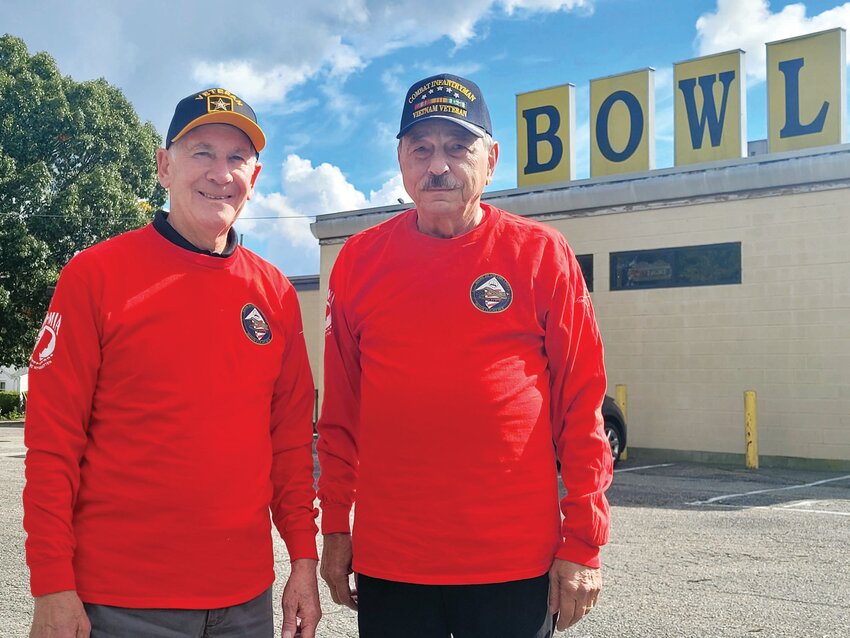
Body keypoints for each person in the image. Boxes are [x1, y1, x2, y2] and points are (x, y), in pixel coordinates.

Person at [316, 73, 613, 637]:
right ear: (401, 159)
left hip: (512, 566)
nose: (438, 166)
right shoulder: (358, 262)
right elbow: (340, 416)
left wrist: (583, 542)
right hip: (393, 565)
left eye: (458, 146)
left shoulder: (541, 255)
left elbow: (581, 408)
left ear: (492, 158)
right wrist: (334, 528)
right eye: (421, 148)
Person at [23, 88, 321, 638]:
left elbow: (289, 443)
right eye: (201, 152)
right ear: (164, 166)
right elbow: (52, 443)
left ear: (254, 177)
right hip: (120, 604)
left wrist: (302, 558)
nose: (220, 172)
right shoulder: (95, 276)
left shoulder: (275, 292)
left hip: (245, 603)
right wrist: (50, 583)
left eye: (237, 157)